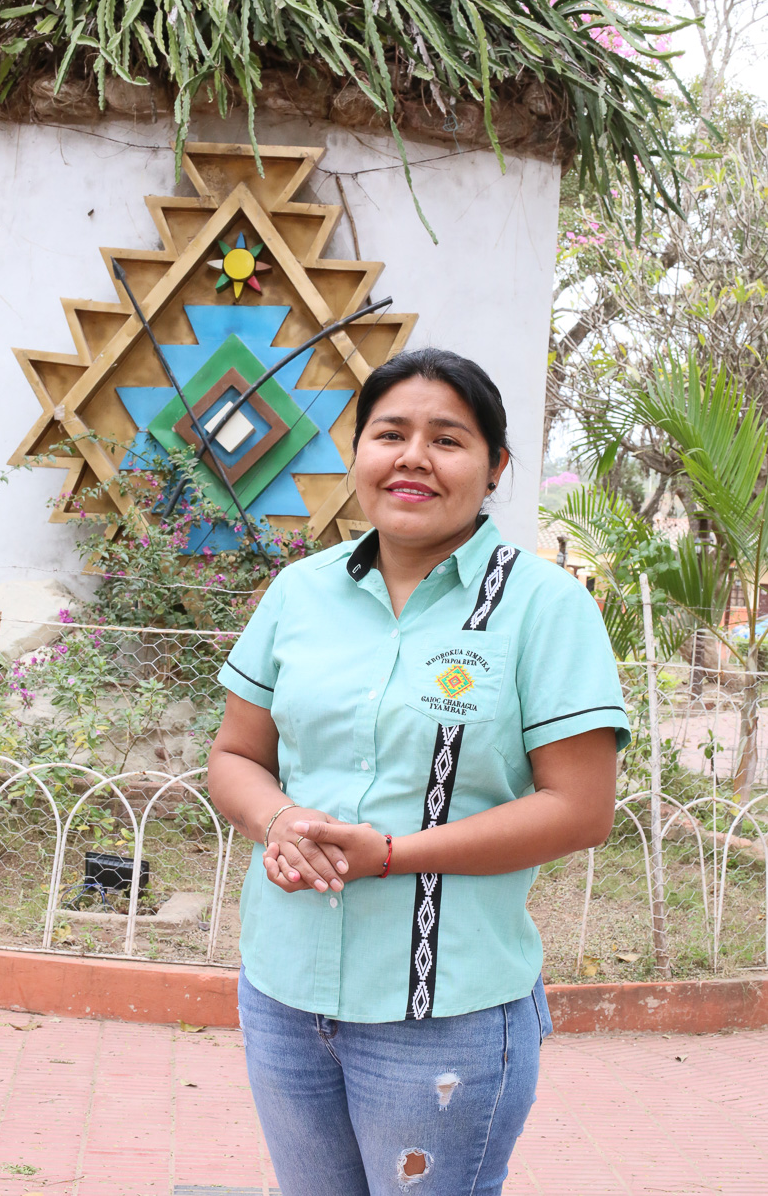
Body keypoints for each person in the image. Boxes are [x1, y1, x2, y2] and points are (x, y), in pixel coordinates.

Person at [207, 348, 630, 1196]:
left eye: (446, 439)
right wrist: (277, 820)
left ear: (494, 465)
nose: (412, 458)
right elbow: (236, 755)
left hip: (442, 1015)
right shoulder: (298, 592)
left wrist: (392, 855)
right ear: (356, 451)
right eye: (389, 433)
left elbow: (580, 808)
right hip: (284, 990)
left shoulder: (544, 607)